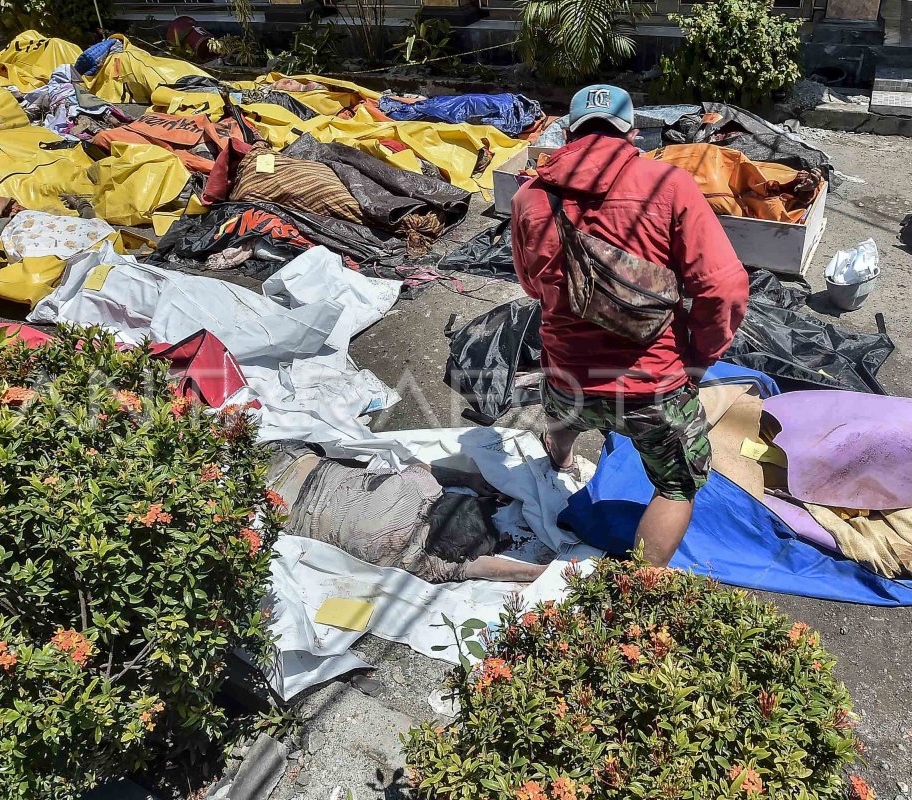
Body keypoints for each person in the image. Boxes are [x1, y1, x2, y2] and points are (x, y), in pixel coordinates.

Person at [511, 84, 749, 568]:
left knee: (563, 417)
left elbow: (531, 285)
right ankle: (637, 589)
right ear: (632, 133)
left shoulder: (528, 197)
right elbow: (723, 287)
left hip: (566, 377)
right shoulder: (669, 185)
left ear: (569, 131)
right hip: (652, 385)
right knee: (677, 484)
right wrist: (701, 358)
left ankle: (558, 460)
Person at [267, 442, 548, 584]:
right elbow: (491, 569)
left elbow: (428, 469)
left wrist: (469, 479)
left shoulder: (420, 486)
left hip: (297, 463)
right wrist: (541, 573)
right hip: (283, 510)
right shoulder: (425, 562)